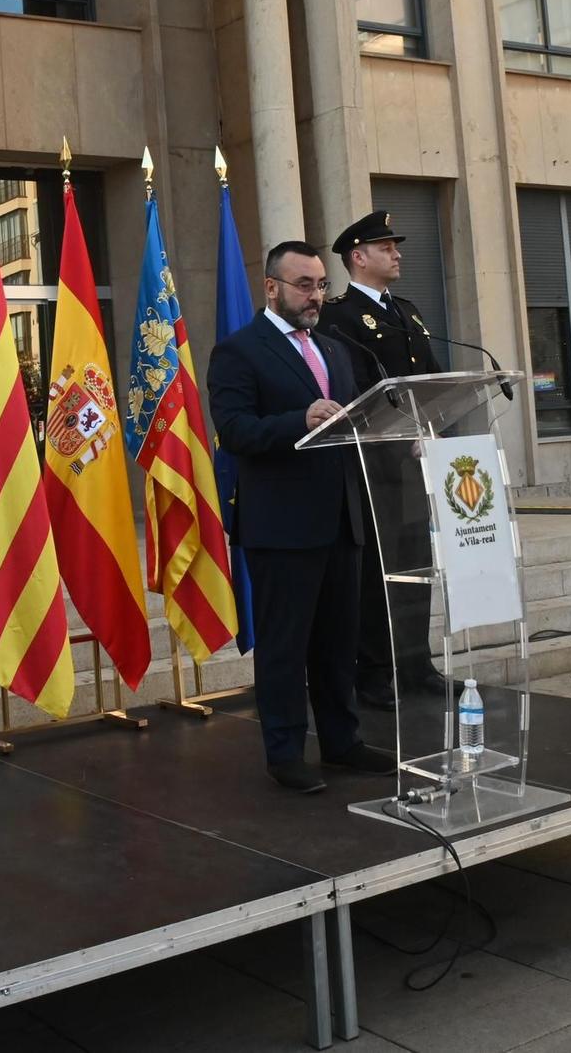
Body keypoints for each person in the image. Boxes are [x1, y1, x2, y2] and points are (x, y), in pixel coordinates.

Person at [207, 240, 396, 792]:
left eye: (321, 285)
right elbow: (236, 430)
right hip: (283, 525)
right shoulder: (239, 351)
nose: (316, 296)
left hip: (342, 517)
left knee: (339, 642)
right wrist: (299, 418)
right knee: (287, 646)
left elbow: (360, 414)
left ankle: (343, 742)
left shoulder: (336, 350)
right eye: (304, 285)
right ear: (272, 288)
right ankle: (286, 750)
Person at [316, 211, 448, 709]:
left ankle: (416, 664)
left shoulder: (408, 311)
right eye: (387, 246)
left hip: (413, 461)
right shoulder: (338, 316)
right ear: (358, 257)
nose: (397, 254)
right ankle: (372, 673)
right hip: (370, 465)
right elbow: (348, 389)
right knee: (376, 568)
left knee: (416, 562)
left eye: (396, 246)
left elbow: (430, 379)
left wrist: (430, 426)